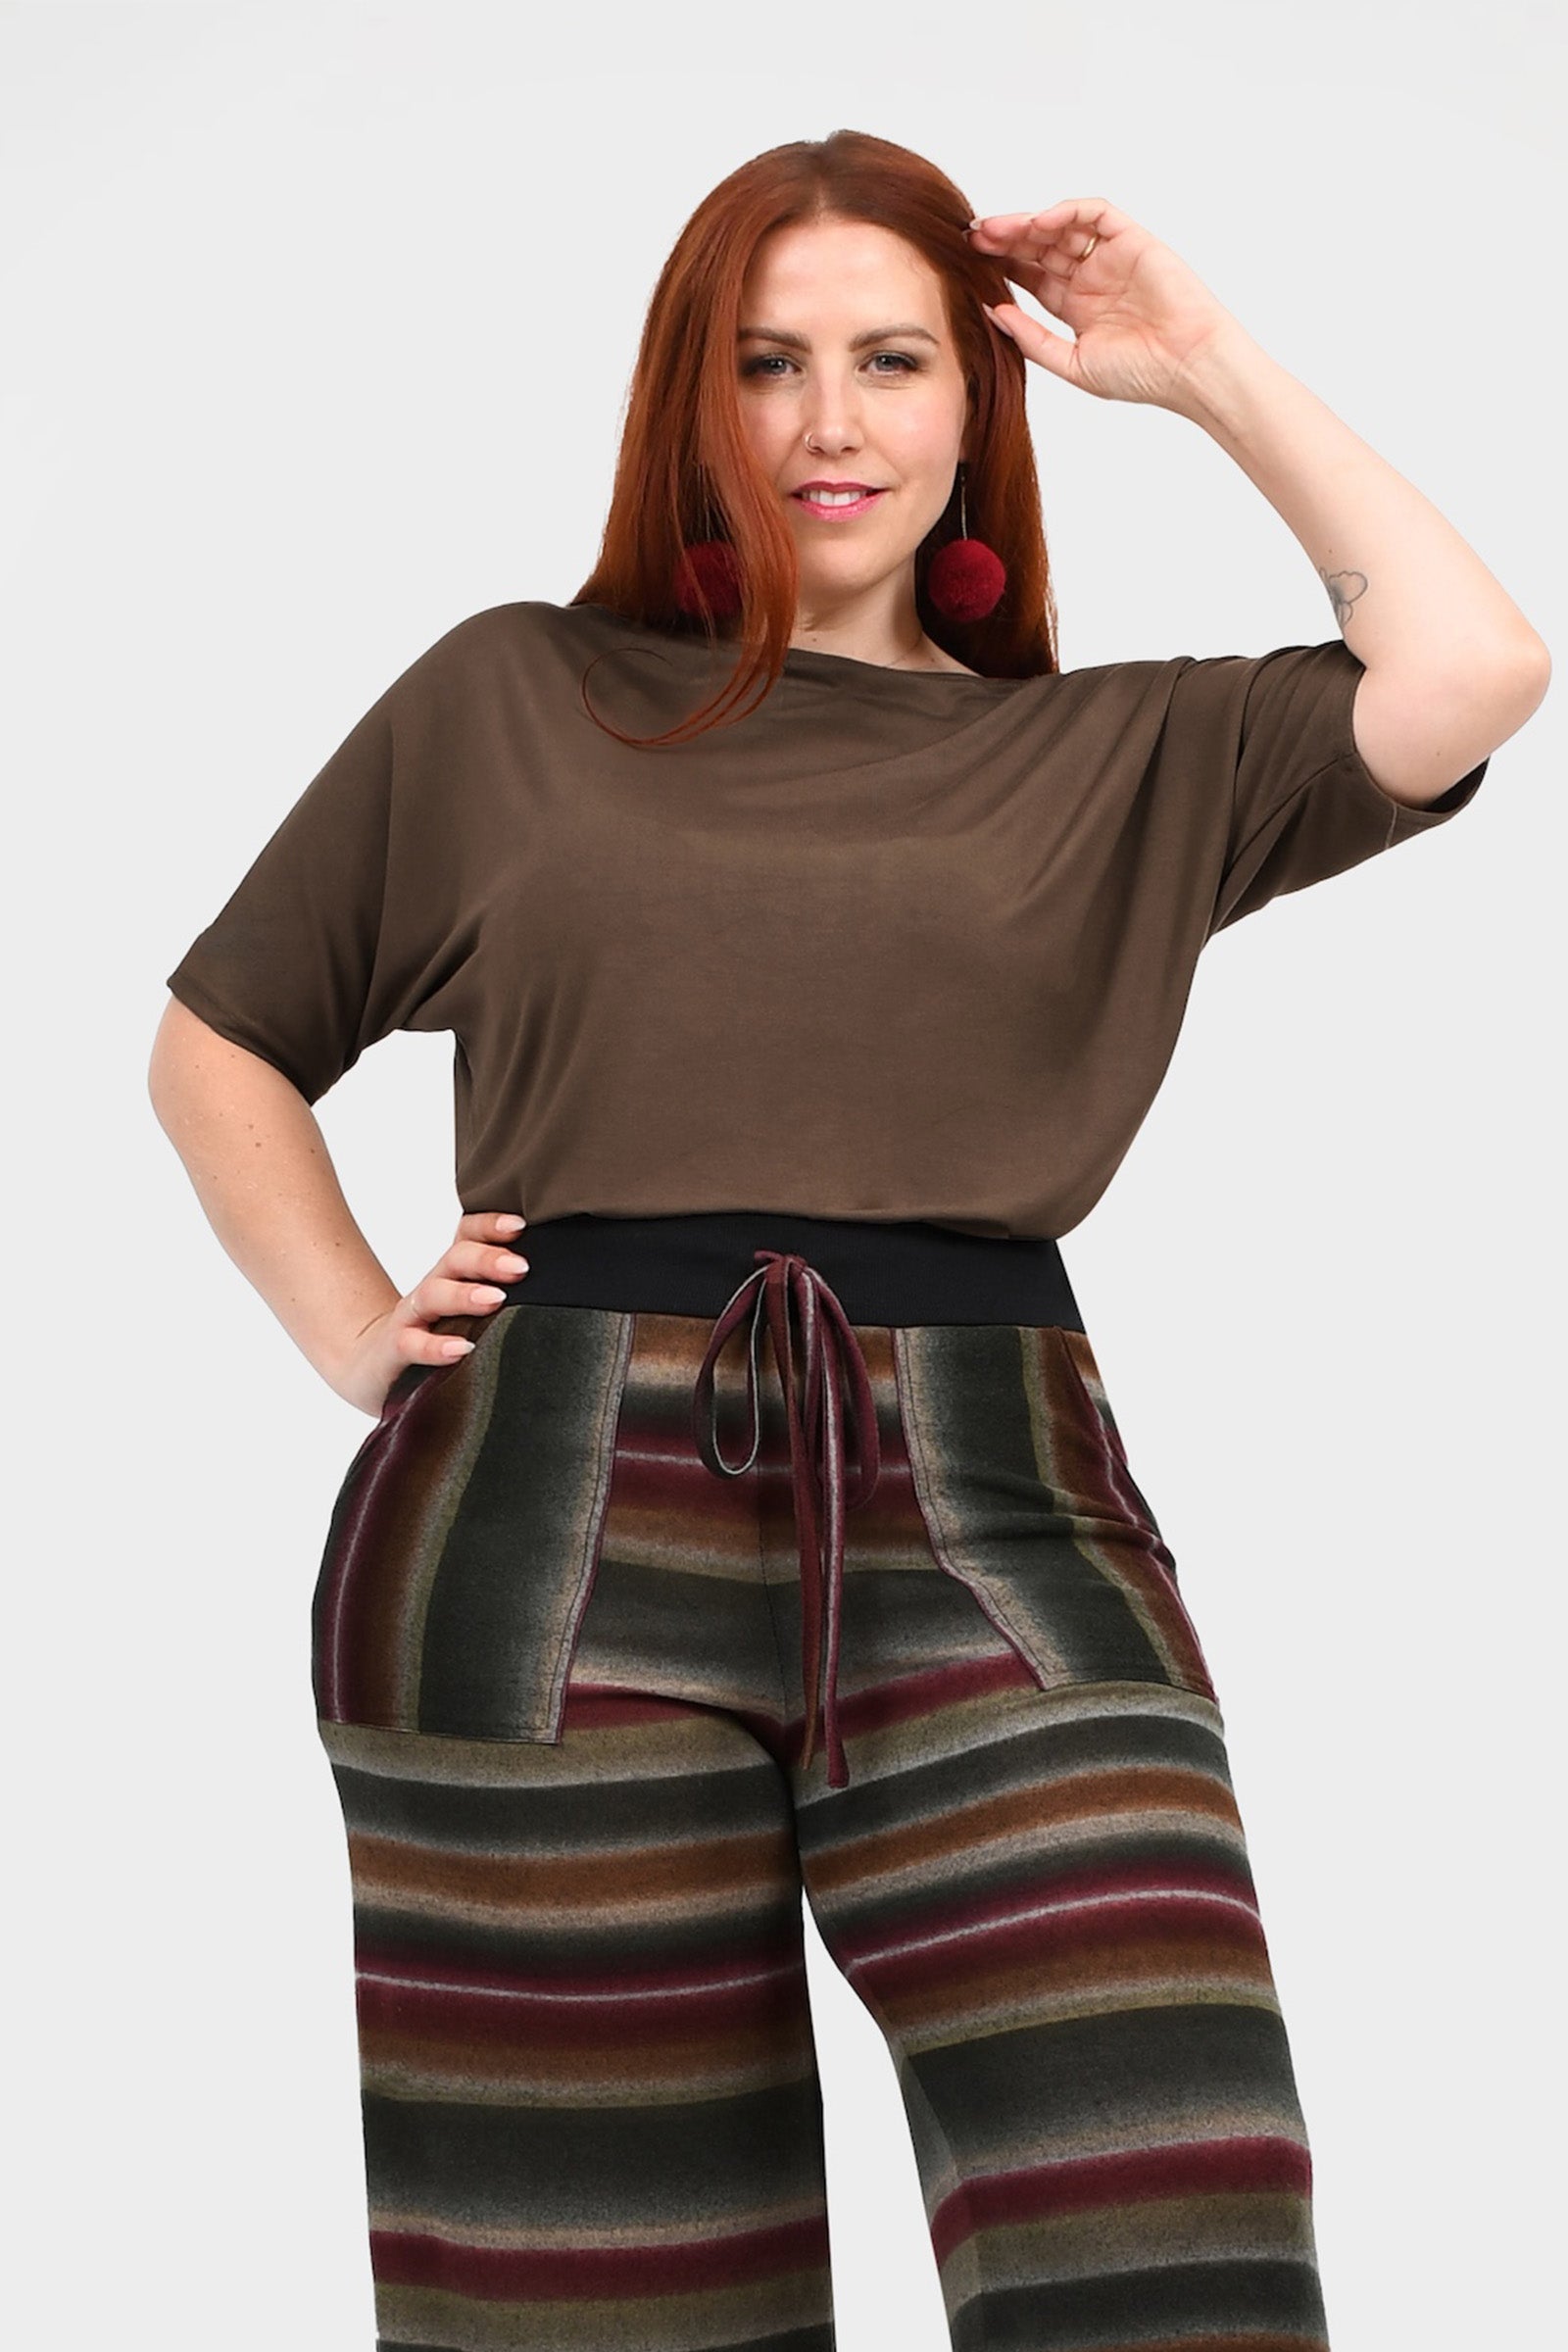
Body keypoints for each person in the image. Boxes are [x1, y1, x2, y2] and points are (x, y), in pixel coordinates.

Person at [149, 129, 1546, 2352]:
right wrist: (348, 1329)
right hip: (544, 1515)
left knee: (1171, 2245)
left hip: (994, 1498)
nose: (828, 421)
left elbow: (1472, 667)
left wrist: (1198, 361)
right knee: (603, 2302)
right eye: (766, 362)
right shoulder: (519, 696)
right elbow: (221, 1039)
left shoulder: (1120, 755)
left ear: (974, 400)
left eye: (892, 360)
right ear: (686, 403)